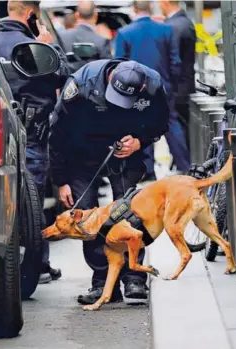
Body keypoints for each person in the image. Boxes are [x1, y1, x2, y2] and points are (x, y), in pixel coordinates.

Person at [49, 59, 170, 304]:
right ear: (109, 77)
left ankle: (134, 278)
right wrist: (61, 180)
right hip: (82, 155)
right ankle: (103, 282)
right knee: (86, 220)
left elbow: (162, 122)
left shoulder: (154, 85)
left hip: (125, 154)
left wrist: (139, 141)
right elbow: (57, 133)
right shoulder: (81, 85)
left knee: (130, 216)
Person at [0, 0, 70, 284]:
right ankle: (39, 264)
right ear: (31, 15)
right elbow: (64, 78)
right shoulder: (36, 49)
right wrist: (50, 45)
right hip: (33, 135)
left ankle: (14, 263)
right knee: (32, 201)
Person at [114, 0, 189, 179]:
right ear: (150, 9)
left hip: (136, 88)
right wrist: (171, 83)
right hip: (164, 86)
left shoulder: (124, 33)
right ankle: (185, 165)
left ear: (133, 10)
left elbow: (118, 64)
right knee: (170, 123)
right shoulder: (165, 30)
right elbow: (175, 62)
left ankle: (148, 170)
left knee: (140, 125)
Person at [160, 0, 196, 150]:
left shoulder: (174, 26)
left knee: (179, 128)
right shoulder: (183, 22)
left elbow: (173, 60)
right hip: (183, 85)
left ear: (166, 2)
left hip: (178, 88)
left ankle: (185, 165)